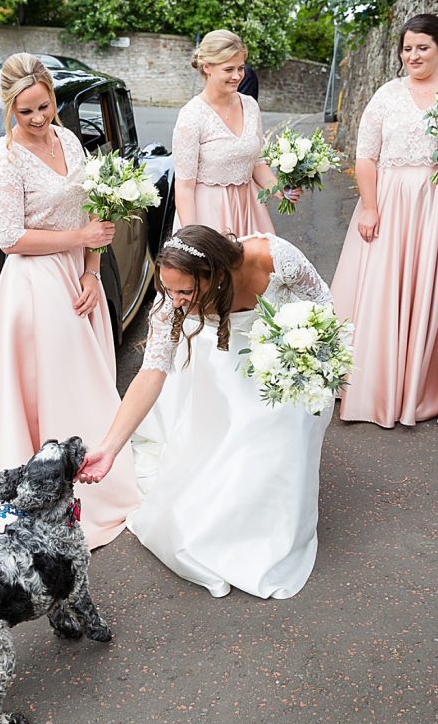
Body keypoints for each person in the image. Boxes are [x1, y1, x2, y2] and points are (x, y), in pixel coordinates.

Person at [0, 53, 139, 566]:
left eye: (44, 106)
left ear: (54, 98)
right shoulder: (6, 158)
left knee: (91, 377)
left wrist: (93, 270)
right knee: (57, 386)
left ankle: (95, 473)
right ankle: (46, 495)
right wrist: (78, 239)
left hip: (80, 276)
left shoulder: (71, 140)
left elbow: (96, 206)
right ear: (10, 107)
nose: (37, 119)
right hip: (35, 284)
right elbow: (10, 238)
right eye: (25, 110)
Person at [78, 225, 334, 599]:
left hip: (283, 361)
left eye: (186, 291)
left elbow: (323, 305)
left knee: (278, 437)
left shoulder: (271, 258)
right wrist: (110, 448)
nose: (176, 301)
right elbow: (151, 372)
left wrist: (305, 357)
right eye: (169, 289)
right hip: (222, 364)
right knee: (224, 451)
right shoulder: (172, 305)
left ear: (216, 273)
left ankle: (269, 527)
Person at [331, 13, 438, 427]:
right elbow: (366, 155)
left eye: (422, 47)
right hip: (393, 204)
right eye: (406, 48)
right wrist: (370, 207)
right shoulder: (386, 95)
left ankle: (424, 387)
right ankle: (379, 389)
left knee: (435, 292)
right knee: (386, 290)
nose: (413, 56)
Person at [173, 29, 300, 236]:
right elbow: (185, 188)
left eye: (241, 68)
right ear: (207, 68)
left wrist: (281, 190)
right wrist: (192, 237)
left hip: (250, 210)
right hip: (208, 216)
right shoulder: (192, 115)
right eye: (228, 69)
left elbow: (257, 162)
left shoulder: (250, 106)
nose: (237, 76)